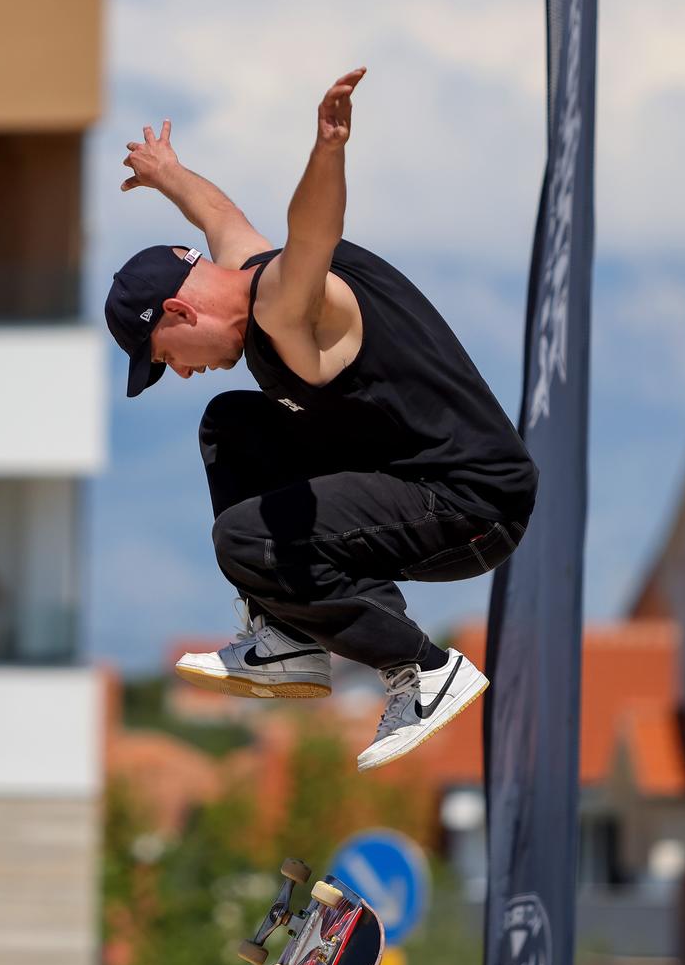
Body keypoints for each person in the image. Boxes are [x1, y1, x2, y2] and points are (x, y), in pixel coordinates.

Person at [103, 67, 537, 772]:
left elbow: (312, 233)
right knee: (230, 424)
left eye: (166, 357)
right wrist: (168, 172)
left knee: (244, 539)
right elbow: (219, 216)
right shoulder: (244, 270)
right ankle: (287, 637)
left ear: (180, 312)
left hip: (471, 504)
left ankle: (423, 670)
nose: (179, 371)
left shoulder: (283, 304)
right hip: (420, 483)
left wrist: (327, 149)